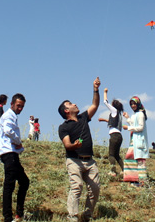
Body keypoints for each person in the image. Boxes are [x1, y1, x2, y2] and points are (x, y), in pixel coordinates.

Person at [57, 77, 101, 222]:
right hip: (74, 161)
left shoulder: (83, 118)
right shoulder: (64, 127)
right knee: (77, 187)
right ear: (66, 111)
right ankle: (72, 218)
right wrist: (74, 146)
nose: (75, 104)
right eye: (70, 104)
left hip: (90, 161)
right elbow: (67, 145)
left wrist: (95, 89)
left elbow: (95, 105)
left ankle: (86, 217)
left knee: (95, 189)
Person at [0, 93, 30, 222]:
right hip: (8, 153)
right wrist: (18, 142)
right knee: (9, 185)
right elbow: (7, 131)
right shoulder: (8, 115)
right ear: (12, 104)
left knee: (24, 182)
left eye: (22, 106)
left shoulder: (12, 116)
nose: (20, 108)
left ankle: (17, 215)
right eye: (18, 106)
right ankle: (8, 217)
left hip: (11, 153)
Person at [122, 96, 149, 187]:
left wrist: (128, 128)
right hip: (134, 140)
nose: (133, 106)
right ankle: (134, 179)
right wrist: (127, 118)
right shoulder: (135, 114)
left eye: (134, 104)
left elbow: (140, 127)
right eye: (131, 104)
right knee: (131, 158)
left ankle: (142, 182)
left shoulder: (141, 114)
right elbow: (134, 124)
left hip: (139, 141)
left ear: (138, 104)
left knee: (140, 161)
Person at [98, 87, 124, 177]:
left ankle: (112, 172)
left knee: (111, 154)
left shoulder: (114, 110)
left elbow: (105, 102)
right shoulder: (119, 114)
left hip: (114, 136)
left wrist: (105, 92)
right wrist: (105, 120)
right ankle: (124, 170)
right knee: (117, 155)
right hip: (119, 136)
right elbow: (114, 123)